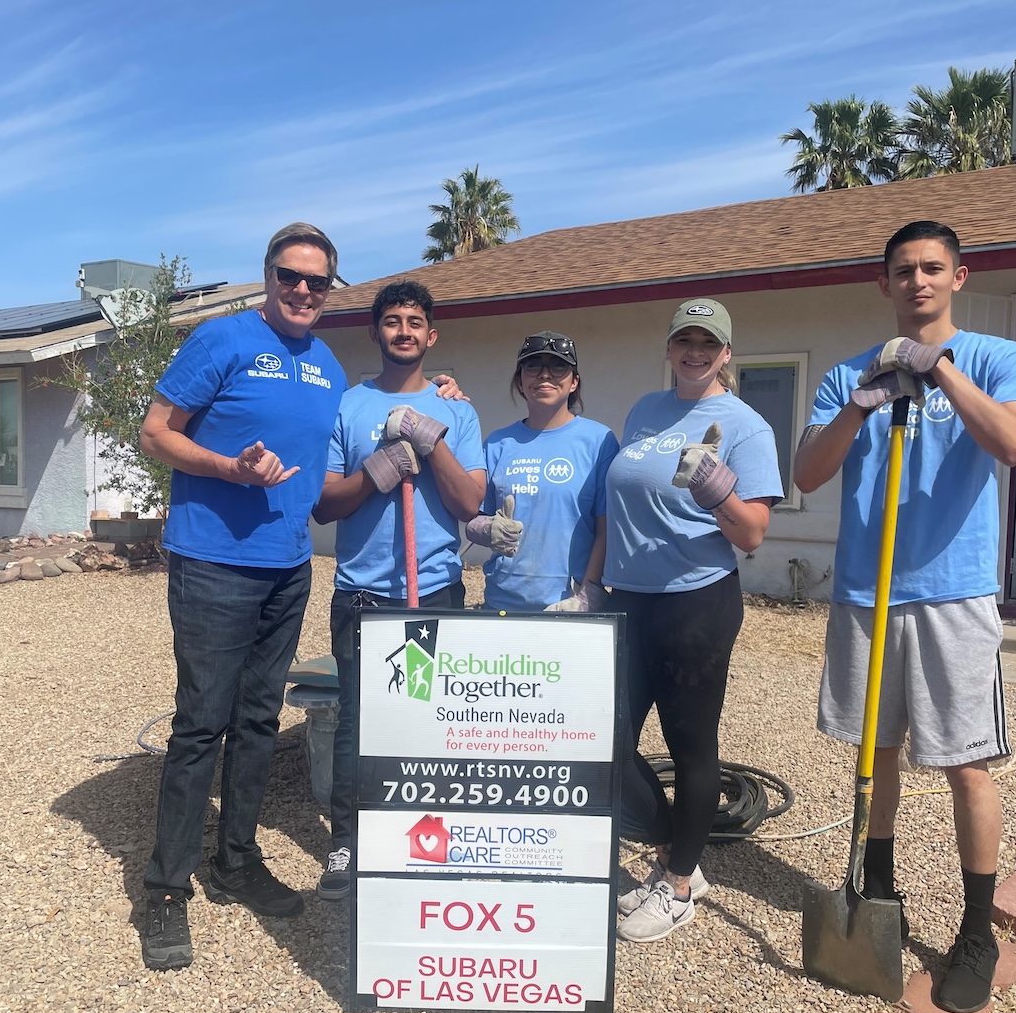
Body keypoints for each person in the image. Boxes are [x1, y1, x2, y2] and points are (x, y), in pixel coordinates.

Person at [794, 220, 1016, 1013]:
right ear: (885, 284)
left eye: (933, 268)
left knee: (967, 763)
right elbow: (808, 470)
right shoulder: (844, 374)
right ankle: (878, 889)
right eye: (904, 270)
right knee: (879, 752)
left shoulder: (1002, 359)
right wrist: (863, 403)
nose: (919, 281)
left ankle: (976, 928)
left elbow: (1013, 443)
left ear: (960, 276)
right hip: (869, 594)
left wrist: (942, 373)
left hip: (953, 592)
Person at [132, 223, 346, 971]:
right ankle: (164, 890)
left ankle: (236, 860)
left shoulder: (328, 365)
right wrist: (228, 468)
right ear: (267, 275)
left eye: (317, 281)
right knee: (201, 723)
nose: (303, 290)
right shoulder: (221, 341)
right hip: (214, 562)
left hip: (288, 567)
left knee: (258, 719)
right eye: (291, 275)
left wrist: (443, 394)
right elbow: (154, 432)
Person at [604, 299, 783, 943]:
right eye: (685, 339)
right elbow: (617, 501)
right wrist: (593, 585)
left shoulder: (745, 426)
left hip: (695, 601)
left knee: (690, 744)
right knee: (611, 741)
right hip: (629, 596)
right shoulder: (646, 410)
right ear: (671, 346)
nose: (695, 351)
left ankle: (680, 881)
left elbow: (755, 533)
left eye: (709, 342)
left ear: (726, 353)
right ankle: (675, 845)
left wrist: (715, 487)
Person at [312, 280, 485, 900]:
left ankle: (423, 837)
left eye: (415, 322)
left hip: (431, 592)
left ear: (431, 335)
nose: (404, 331)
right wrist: (377, 471)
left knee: (422, 719)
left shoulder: (458, 411)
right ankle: (348, 842)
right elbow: (325, 505)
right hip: (364, 594)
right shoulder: (346, 407)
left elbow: (470, 503)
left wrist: (429, 440)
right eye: (392, 322)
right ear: (376, 332)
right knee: (360, 722)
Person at [474, 332, 618, 613]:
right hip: (502, 602)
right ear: (520, 381)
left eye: (558, 367)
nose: (544, 375)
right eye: (533, 366)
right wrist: (484, 529)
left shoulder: (599, 441)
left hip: (569, 604)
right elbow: (477, 517)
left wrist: (589, 592)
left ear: (574, 381)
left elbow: (606, 528)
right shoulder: (497, 443)